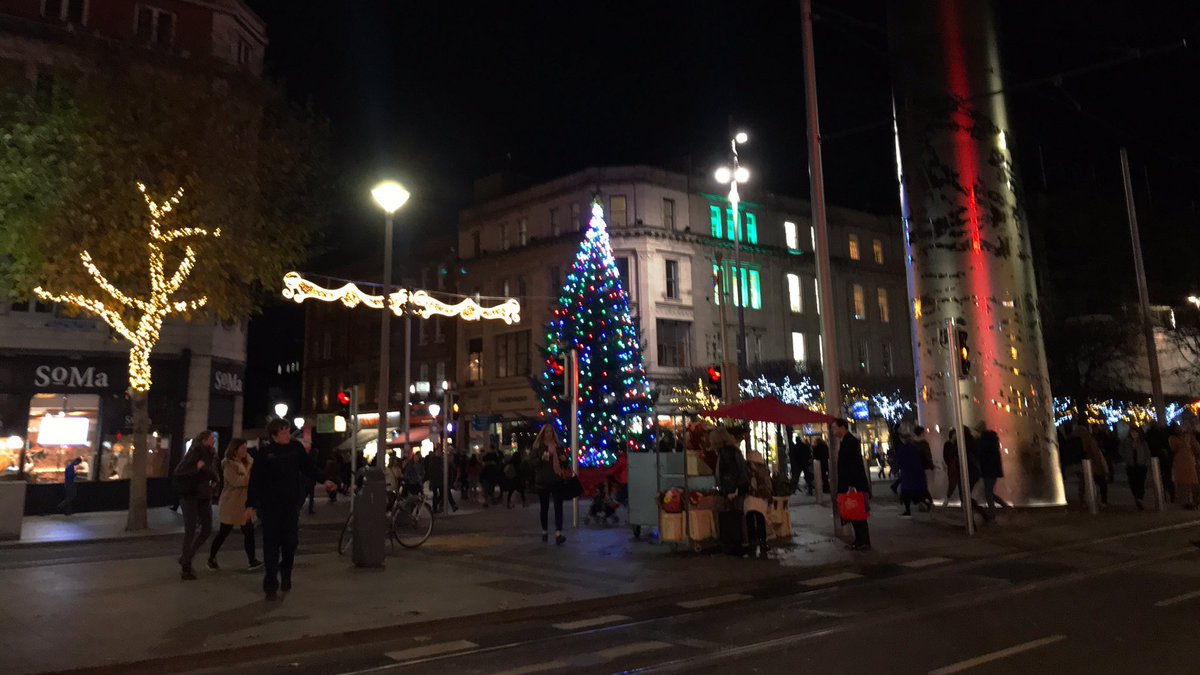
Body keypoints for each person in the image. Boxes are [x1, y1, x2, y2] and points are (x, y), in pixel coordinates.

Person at [247, 418, 336, 601]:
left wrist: (324, 479)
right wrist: (251, 504)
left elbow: (308, 467)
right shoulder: (265, 453)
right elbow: (256, 480)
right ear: (274, 435)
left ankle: (286, 570)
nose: (288, 434)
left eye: (288, 430)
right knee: (271, 546)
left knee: (290, 544)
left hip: (290, 505)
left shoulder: (295, 449)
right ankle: (270, 585)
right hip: (270, 506)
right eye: (284, 431)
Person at [207, 438, 262, 571]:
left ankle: (252, 560)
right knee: (224, 531)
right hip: (231, 503)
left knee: (248, 531)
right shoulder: (228, 464)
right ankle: (211, 558)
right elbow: (236, 481)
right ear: (235, 450)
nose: (245, 450)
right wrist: (250, 472)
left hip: (244, 503)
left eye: (245, 447)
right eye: (242, 448)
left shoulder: (247, 461)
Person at [174, 430, 219, 580]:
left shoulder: (211, 453)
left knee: (207, 529)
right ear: (204, 440)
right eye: (211, 438)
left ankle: (186, 557)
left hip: (203, 496)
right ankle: (186, 567)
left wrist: (214, 479)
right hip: (191, 495)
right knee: (191, 530)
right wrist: (197, 468)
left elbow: (209, 472)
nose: (213, 440)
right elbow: (179, 471)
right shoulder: (195, 452)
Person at [833, 418, 871, 551]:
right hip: (852, 483)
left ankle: (863, 540)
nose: (833, 431)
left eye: (835, 428)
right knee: (854, 513)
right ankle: (860, 540)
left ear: (842, 427)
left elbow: (853, 465)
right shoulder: (847, 441)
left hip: (853, 485)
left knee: (857, 512)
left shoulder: (850, 442)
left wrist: (851, 485)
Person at [532, 424, 568, 545]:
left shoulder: (558, 446)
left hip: (557, 479)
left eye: (550, 432)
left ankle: (558, 533)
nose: (549, 434)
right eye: (546, 432)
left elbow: (565, 462)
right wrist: (541, 459)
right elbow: (533, 463)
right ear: (543, 434)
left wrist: (564, 459)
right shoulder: (538, 447)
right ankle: (544, 531)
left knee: (558, 507)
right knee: (544, 507)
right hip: (543, 480)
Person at [895, 425, 932, 516]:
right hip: (918, 474)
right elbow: (925, 458)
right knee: (919, 492)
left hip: (907, 475)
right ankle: (926, 503)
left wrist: (896, 470)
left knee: (907, 493)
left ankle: (908, 511)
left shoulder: (902, 449)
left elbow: (899, 461)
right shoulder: (916, 448)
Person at [744, 450, 773, 558]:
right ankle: (762, 542)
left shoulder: (746, 469)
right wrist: (769, 499)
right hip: (761, 499)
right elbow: (768, 486)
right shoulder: (764, 470)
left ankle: (752, 542)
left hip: (749, 499)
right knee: (760, 521)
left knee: (750, 522)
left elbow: (743, 483)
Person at [976, 422, 1008, 509]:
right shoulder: (993, 439)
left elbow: (981, 455)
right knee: (989, 492)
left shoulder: (982, 441)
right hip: (994, 470)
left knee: (988, 493)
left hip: (987, 470)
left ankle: (993, 511)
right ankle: (1003, 506)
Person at [1168, 424, 1200, 510]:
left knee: (1192, 482)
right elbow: (1174, 447)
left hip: (1190, 461)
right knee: (1183, 483)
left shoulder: (1188, 436)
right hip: (1180, 462)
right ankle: (1187, 502)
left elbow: (1195, 447)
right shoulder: (1173, 439)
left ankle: (1193, 501)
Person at [1120, 425, 1150, 510]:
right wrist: (1126, 458)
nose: (1134, 434)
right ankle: (1136, 496)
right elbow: (1121, 451)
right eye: (1132, 432)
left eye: (1136, 433)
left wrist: (1146, 461)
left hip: (1141, 465)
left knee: (1141, 482)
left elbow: (1147, 452)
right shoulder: (1126, 442)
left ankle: (1140, 498)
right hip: (1131, 465)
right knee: (1133, 482)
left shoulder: (1142, 442)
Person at [1078, 424, 1109, 506]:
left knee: (1085, 483)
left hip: (1086, 465)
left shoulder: (1083, 440)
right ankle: (1101, 500)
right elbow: (1096, 454)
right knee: (1101, 483)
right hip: (1093, 465)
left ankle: (1085, 500)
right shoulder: (1090, 440)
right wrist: (1101, 466)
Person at [428, 446, 459, 513]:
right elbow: (431, 470)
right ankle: (437, 507)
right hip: (436, 479)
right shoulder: (435, 459)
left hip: (440, 479)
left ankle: (437, 506)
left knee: (444, 492)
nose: (440, 452)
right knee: (440, 493)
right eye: (439, 451)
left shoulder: (441, 459)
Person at [943, 428, 961, 507]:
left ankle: (962, 501)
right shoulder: (949, 444)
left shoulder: (956, 444)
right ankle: (947, 499)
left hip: (955, 466)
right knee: (952, 484)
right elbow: (946, 455)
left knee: (957, 484)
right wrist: (949, 463)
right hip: (953, 466)